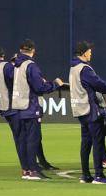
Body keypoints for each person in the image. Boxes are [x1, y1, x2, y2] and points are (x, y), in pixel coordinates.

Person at [7, 40, 64, 181]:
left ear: (20, 51)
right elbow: (40, 88)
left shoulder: (15, 65)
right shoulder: (31, 66)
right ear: (33, 51)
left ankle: (26, 170)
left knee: (23, 140)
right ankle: (33, 171)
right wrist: (55, 84)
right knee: (33, 140)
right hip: (31, 107)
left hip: (18, 107)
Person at [69, 41, 106, 184]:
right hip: (91, 110)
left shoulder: (73, 68)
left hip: (80, 110)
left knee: (86, 143)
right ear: (83, 53)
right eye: (89, 50)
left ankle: (86, 175)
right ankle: (99, 175)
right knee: (98, 142)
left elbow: (95, 82)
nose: (91, 52)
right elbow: (98, 84)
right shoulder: (85, 69)